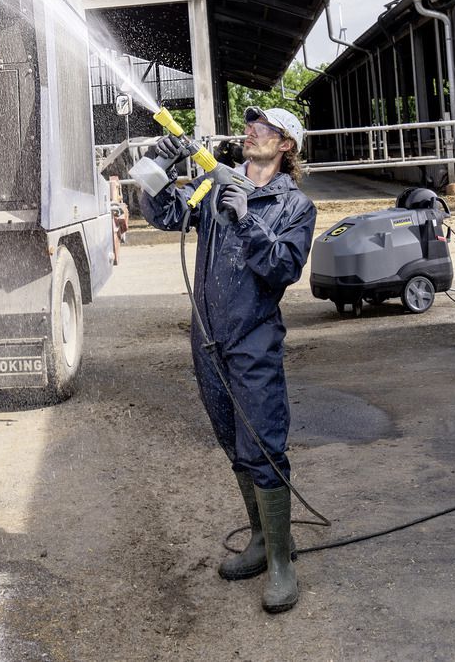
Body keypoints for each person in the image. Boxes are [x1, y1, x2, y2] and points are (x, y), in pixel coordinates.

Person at [139, 105, 316, 614]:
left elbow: (283, 268)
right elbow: (166, 215)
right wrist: (158, 164)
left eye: (264, 127)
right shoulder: (214, 184)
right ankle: (261, 539)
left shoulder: (294, 205)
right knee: (234, 442)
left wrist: (247, 219)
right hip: (208, 340)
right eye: (250, 124)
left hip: (253, 339)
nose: (250, 130)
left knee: (264, 444)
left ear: (286, 145)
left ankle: (281, 562)